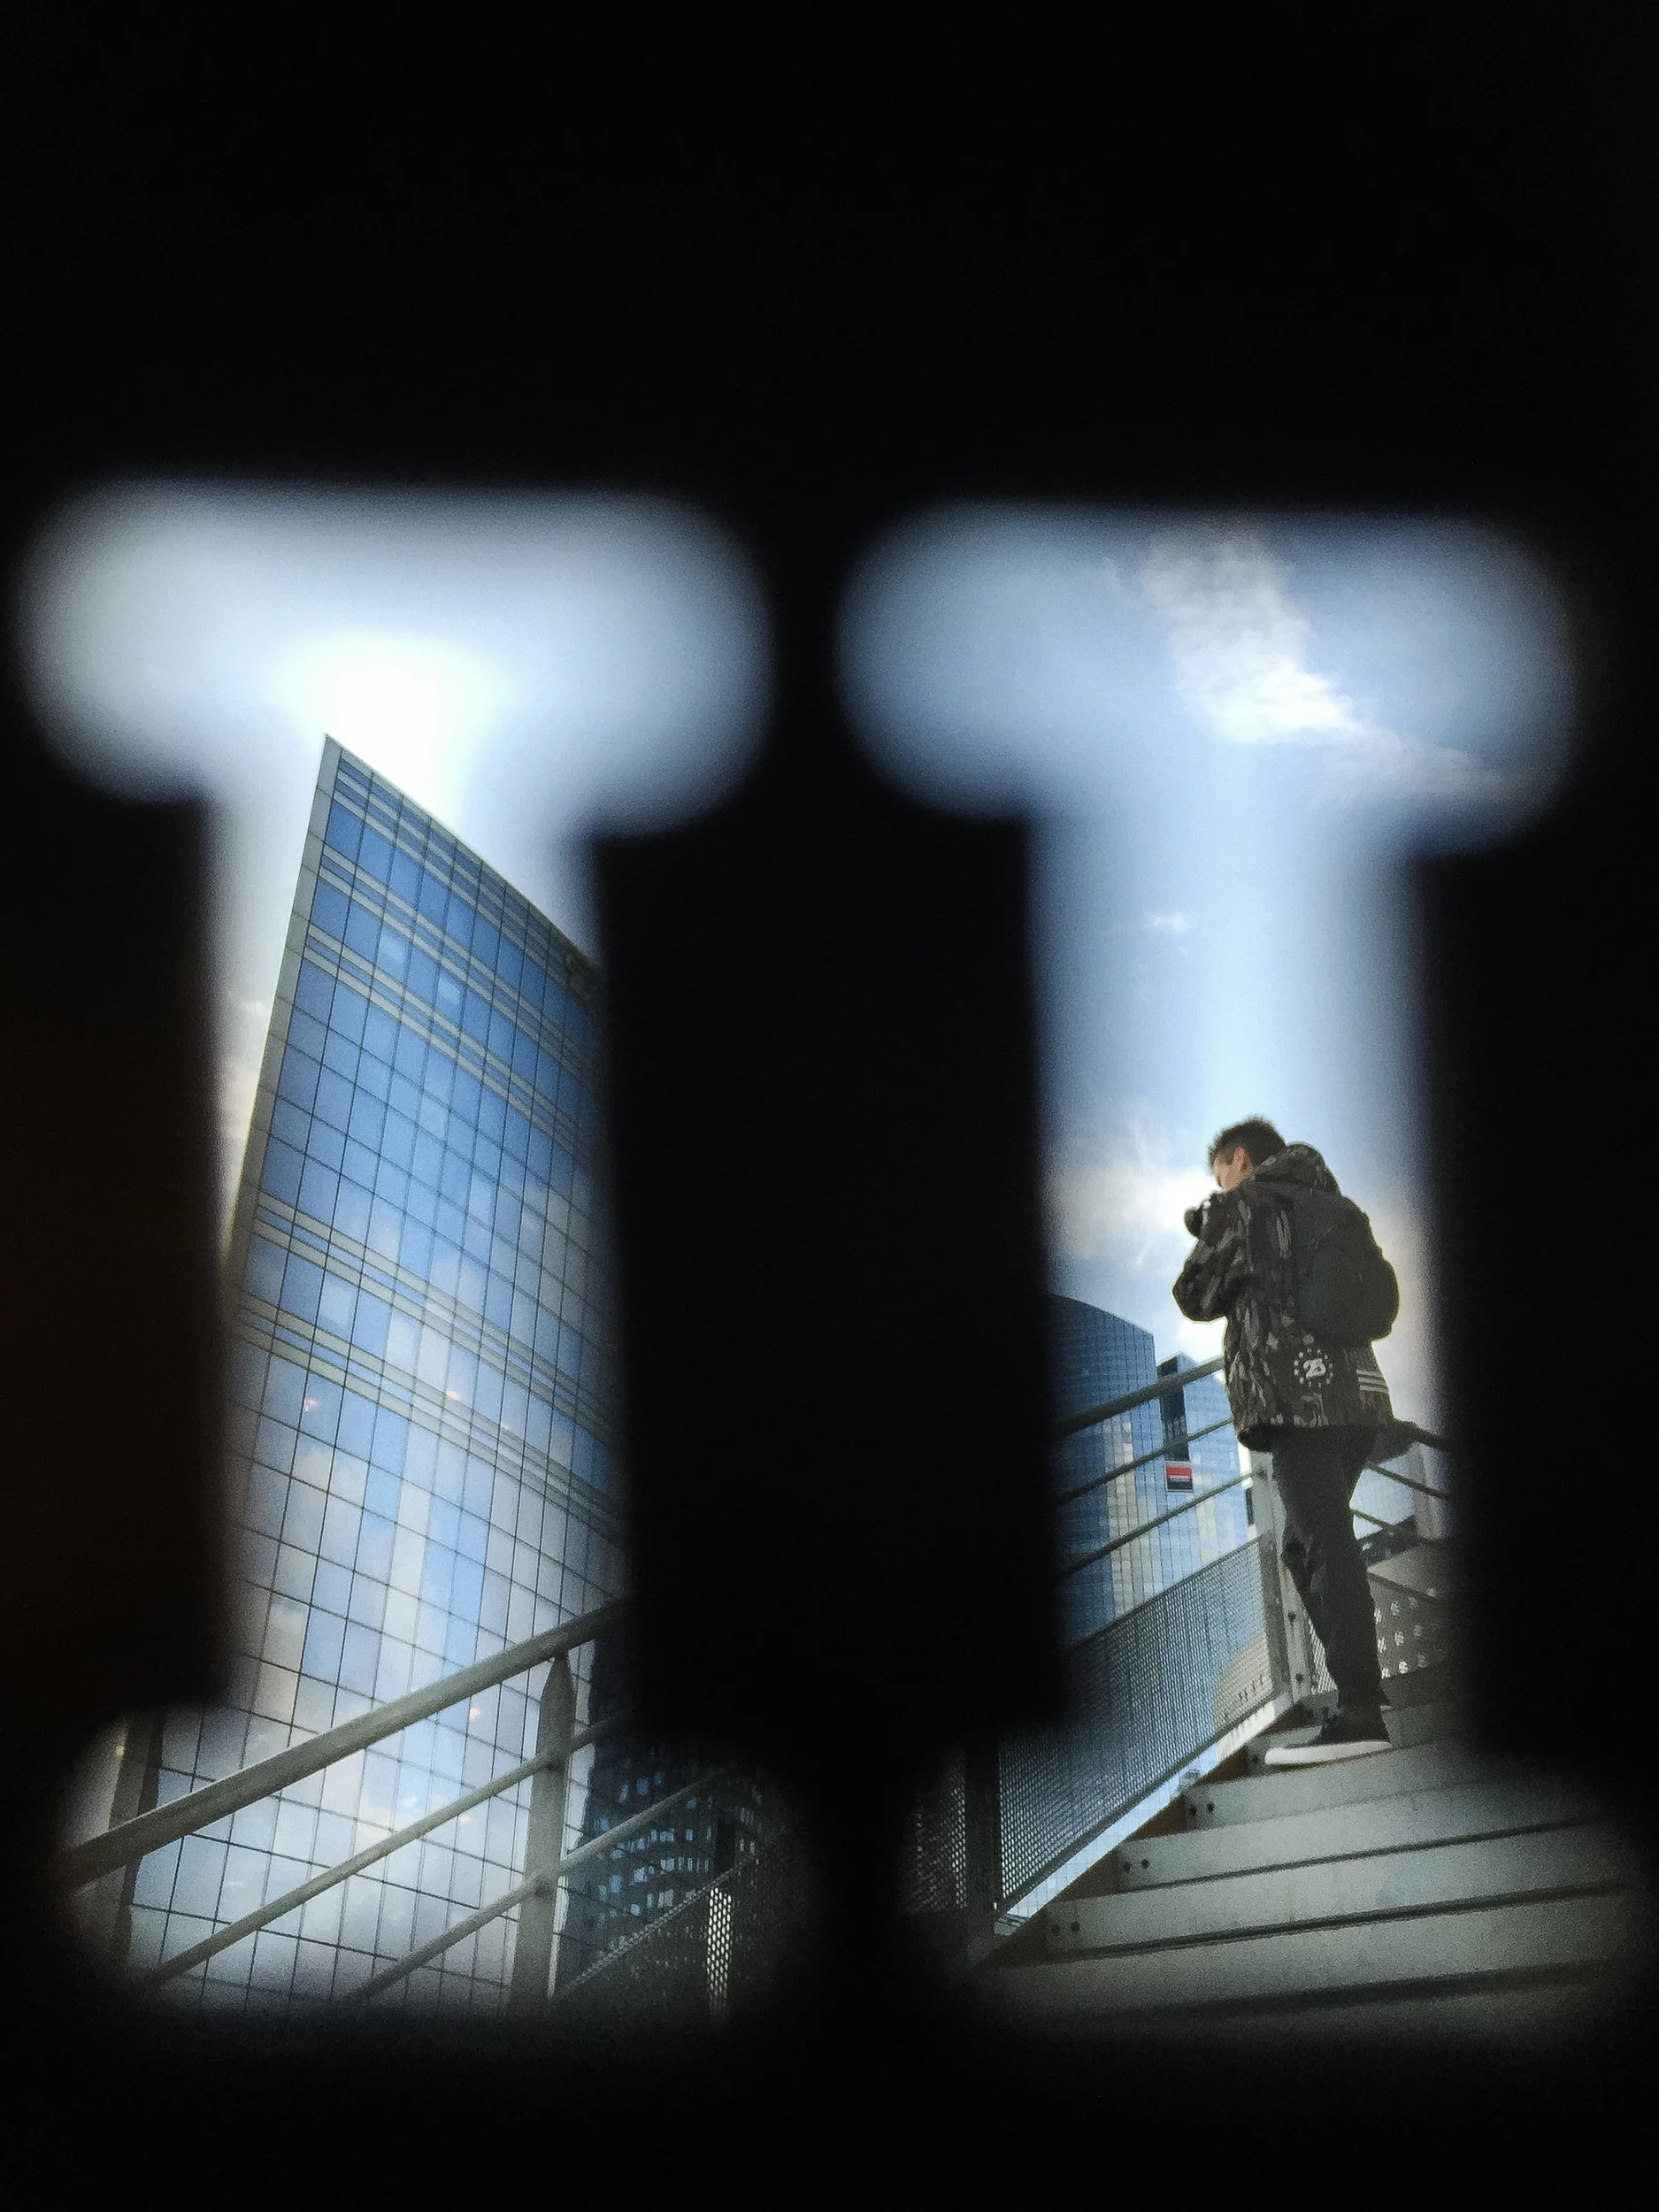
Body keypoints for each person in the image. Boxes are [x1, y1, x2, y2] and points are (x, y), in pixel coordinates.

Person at [1173, 1118, 1394, 1764]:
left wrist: (1211, 1221)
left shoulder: (1246, 1204)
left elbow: (1194, 1294)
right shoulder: (1330, 1200)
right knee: (1305, 1544)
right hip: (1357, 1396)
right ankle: (1364, 1697)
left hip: (1296, 1400)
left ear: (1239, 1160)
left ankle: (1359, 1712)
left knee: (1320, 1541)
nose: (1219, 1185)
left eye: (1219, 1173)